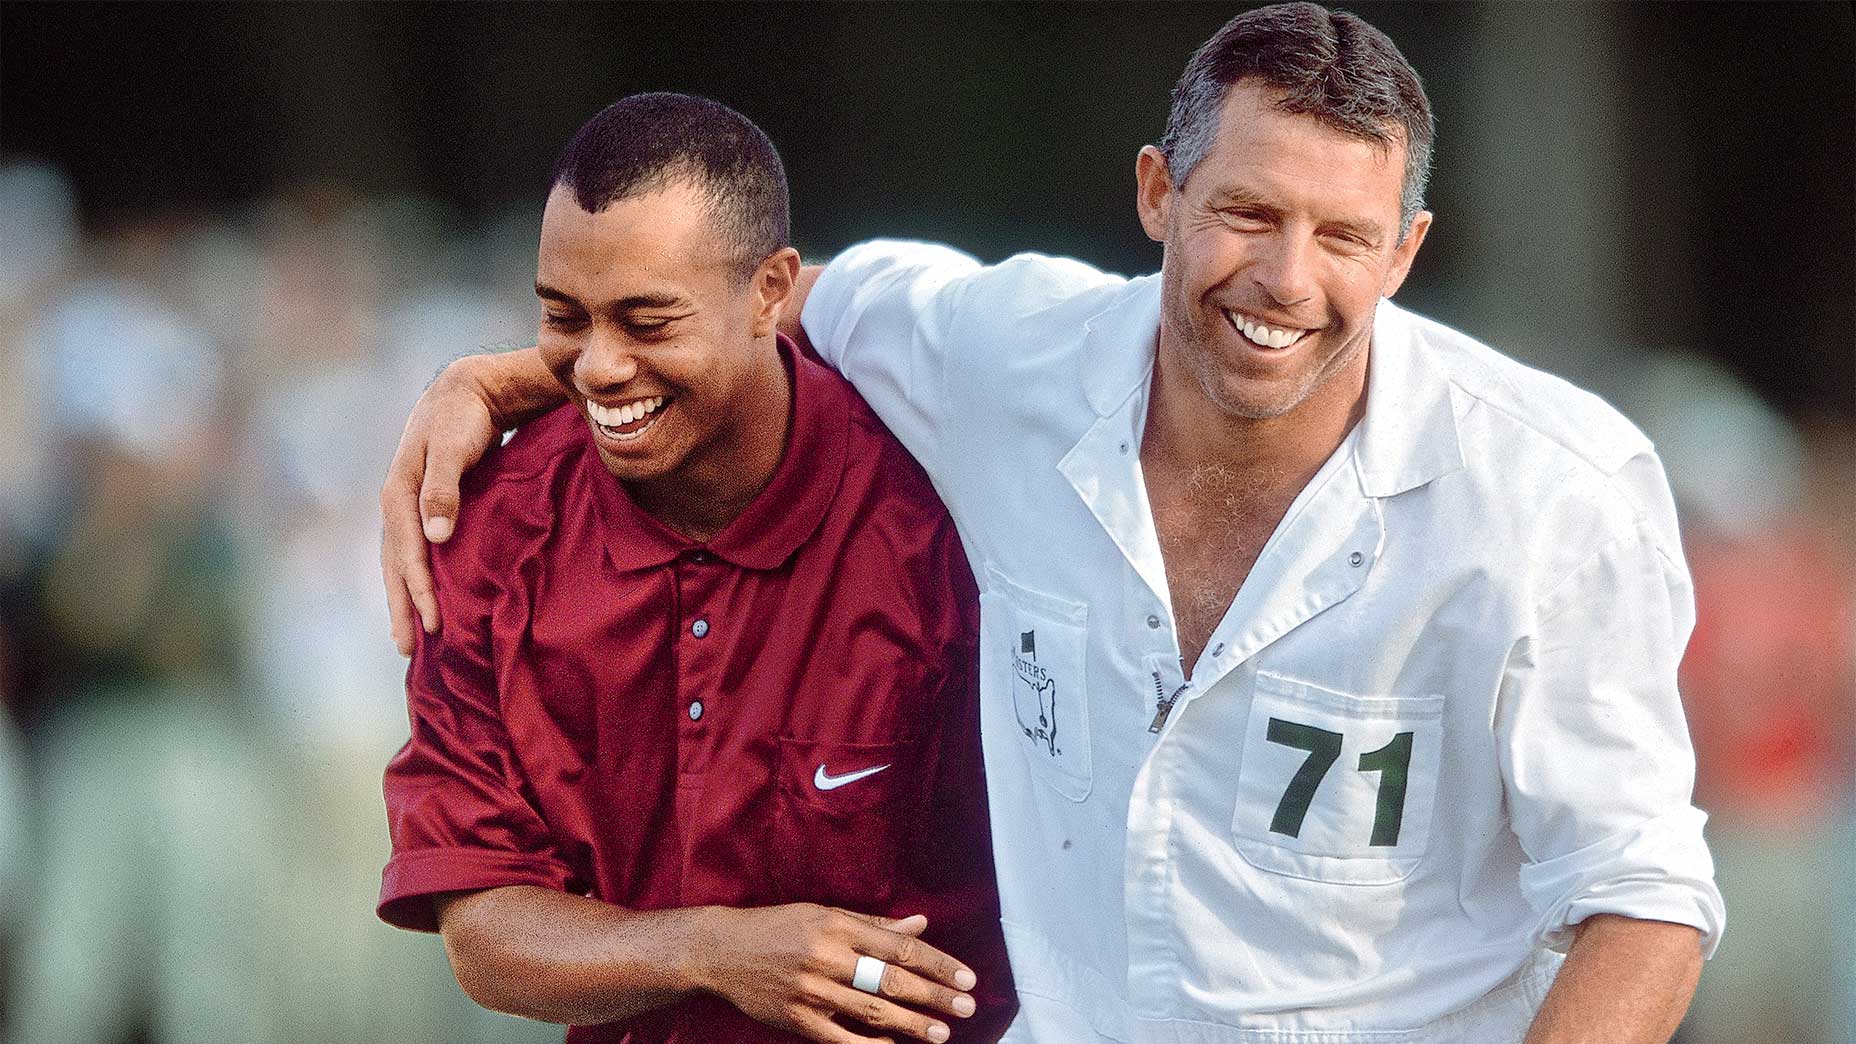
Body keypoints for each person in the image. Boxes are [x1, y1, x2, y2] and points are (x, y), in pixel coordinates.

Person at [380, 7, 1725, 1042]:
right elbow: (755, 300)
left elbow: (1642, 895)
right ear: (1156, 193)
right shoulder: (1002, 355)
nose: (1285, 277)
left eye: (1343, 235)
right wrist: (522, 375)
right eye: (1245, 212)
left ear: (1407, 250)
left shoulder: (1557, 491)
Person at [375, 93, 1014, 1044]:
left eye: (646, 320)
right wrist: (714, 951)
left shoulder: (949, 513)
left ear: (771, 292)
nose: (595, 367)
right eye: (563, 316)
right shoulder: (487, 533)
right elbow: (482, 927)